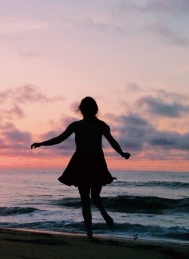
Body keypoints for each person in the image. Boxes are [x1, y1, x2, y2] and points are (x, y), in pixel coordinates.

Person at [31, 96, 130, 239]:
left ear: (82, 110)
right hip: (90, 163)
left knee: (87, 199)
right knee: (92, 197)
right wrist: (42, 143)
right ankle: (96, 223)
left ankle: (93, 229)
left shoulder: (93, 125)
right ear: (94, 110)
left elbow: (112, 141)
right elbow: (60, 138)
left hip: (88, 163)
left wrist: (122, 153)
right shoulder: (83, 125)